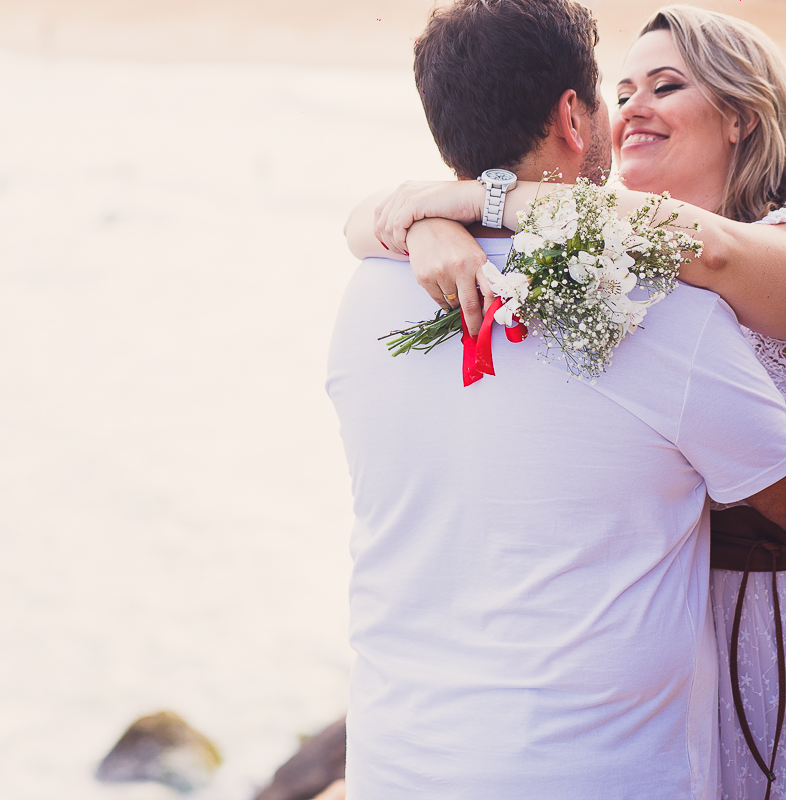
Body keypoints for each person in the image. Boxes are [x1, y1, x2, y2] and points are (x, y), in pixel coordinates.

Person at [327, 1, 786, 797]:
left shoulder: (368, 298)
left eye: (667, 85)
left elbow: (708, 253)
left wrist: (471, 202)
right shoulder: (641, 294)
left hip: (752, 629)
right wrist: (420, 218)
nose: (635, 106)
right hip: (654, 673)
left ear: (744, 116)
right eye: (624, 87)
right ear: (577, 117)